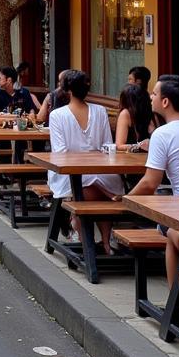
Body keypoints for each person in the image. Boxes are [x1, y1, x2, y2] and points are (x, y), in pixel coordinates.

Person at [126, 74, 179, 286]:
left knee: (167, 229)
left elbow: (150, 183)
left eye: (154, 94)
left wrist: (126, 200)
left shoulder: (162, 134)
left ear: (165, 102)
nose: (150, 97)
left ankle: (174, 299)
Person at [46, 71, 123, 255]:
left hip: (71, 175)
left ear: (67, 90)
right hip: (103, 174)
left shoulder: (57, 115)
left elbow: (60, 152)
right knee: (102, 190)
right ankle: (106, 242)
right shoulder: (100, 111)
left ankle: (84, 239)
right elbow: (107, 145)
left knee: (83, 191)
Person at [115, 82, 159, 151]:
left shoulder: (152, 114)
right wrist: (139, 146)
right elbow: (119, 145)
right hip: (129, 158)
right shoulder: (126, 114)